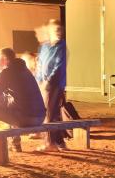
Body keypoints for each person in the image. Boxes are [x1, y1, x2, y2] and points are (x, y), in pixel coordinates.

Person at [0, 48, 46, 158]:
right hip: (39, 117)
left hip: (25, 119)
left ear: (4, 59)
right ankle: (15, 144)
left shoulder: (7, 72)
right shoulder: (25, 70)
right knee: (9, 106)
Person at [35, 19, 68, 152]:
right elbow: (40, 64)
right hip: (44, 85)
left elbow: (59, 66)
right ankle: (59, 142)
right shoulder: (45, 47)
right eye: (56, 30)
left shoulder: (62, 46)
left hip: (54, 86)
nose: (59, 32)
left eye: (60, 30)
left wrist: (48, 81)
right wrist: (39, 81)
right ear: (50, 31)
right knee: (52, 114)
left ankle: (50, 143)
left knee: (48, 114)